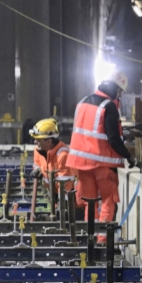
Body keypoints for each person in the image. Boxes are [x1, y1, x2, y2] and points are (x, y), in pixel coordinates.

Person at [66, 70, 133, 222]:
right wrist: (128, 156)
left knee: (90, 203)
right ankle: (103, 241)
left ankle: (92, 239)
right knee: (108, 202)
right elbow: (113, 139)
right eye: (120, 91)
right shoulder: (109, 107)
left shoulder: (82, 102)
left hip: (82, 164)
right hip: (103, 164)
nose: (120, 95)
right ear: (115, 88)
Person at [29, 117, 75, 212]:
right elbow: (37, 164)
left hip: (71, 199)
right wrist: (38, 170)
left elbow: (66, 186)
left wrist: (62, 208)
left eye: (38, 139)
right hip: (53, 194)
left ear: (49, 141)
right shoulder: (38, 150)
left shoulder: (63, 155)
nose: (35, 142)